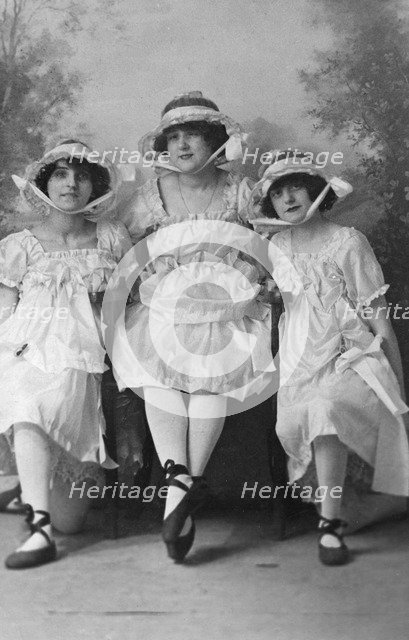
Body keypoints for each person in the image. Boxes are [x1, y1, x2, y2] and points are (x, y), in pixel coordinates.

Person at [114, 92, 274, 562]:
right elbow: (128, 253)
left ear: (216, 142)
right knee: (154, 363)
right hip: (163, 305)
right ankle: (181, 482)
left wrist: (252, 279)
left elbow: (274, 242)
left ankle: (183, 486)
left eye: (195, 136)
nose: (184, 146)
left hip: (232, 305)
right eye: (175, 137)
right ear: (165, 146)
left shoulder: (241, 191)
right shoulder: (148, 196)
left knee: (212, 365)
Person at [251, 150, 409, 565]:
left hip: (349, 353)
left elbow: (378, 316)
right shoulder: (276, 245)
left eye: (296, 187)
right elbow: (280, 304)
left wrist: (398, 387)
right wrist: (268, 297)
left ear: (317, 191)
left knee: (326, 408)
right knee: (300, 421)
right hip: (300, 355)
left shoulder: (348, 241)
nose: (287, 199)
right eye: (278, 192)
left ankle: (330, 527)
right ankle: (345, 512)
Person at [0, 140, 132, 568]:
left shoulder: (111, 236)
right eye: (60, 174)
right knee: (26, 398)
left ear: (94, 186)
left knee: (72, 522)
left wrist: (106, 300)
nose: (71, 183)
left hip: (81, 350)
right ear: (44, 183)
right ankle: (38, 530)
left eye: (81, 175)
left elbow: (131, 302)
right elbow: (3, 313)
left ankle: (30, 492)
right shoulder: (19, 244)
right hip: (23, 348)